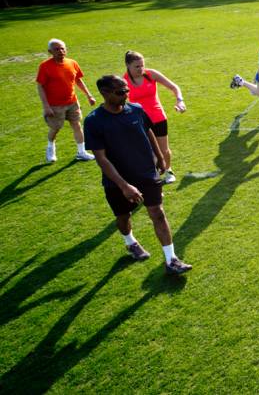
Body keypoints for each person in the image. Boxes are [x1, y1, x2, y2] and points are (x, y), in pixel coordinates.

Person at [84, 75, 192, 275]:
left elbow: (148, 130)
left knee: (158, 213)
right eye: (120, 92)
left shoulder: (136, 109)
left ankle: (171, 260)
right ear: (105, 93)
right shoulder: (94, 121)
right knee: (123, 217)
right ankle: (130, 242)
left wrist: (160, 157)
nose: (126, 94)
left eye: (127, 90)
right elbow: (101, 159)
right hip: (117, 181)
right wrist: (124, 186)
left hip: (146, 174)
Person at [123, 51, 186, 184]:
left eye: (142, 65)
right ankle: (154, 175)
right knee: (147, 151)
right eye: (137, 66)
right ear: (128, 65)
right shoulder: (123, 82)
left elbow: (174, 87)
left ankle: (168, 170)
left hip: (158, 117)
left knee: (164, 149)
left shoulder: (151, 74)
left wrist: (179, 100)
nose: (141, 69)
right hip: (139, 121)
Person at [36, 38, 97, 163]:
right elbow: (40, 86)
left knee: (77, 125)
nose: (60, 51)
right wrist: (46, 106)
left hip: (72, 102)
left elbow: (78, 80)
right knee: (55, 128)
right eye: (56, 49)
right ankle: (50, 148)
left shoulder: (72, 63)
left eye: (62, 48)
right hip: (54, 105)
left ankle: (81, 152)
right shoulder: (45, 66)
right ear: (50, 51)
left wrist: (89, 95)